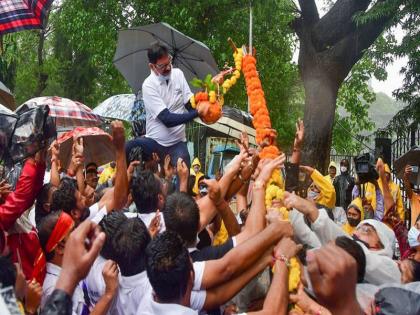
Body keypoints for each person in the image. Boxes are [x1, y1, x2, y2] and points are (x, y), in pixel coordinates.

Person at [125, 42, 210, 169]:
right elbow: (167, 119)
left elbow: (189, 104)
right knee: (128, 147)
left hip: (177, 143)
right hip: (155, 143)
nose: (168, 67)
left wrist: (208, 94)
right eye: (162, 66)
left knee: (185, 172)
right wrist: (196, 113)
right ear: (152, 66)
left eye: (169, 62)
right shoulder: (148, 85)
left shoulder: (178, 74)